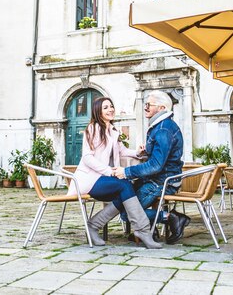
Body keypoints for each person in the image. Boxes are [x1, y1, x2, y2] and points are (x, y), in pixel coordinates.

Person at [67, 96, 162, 249]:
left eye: (111, 106)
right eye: (105, 107)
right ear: (98, 111)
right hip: (90, 180)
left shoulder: (111, 130)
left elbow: (122, 150)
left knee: (124, 193)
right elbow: (87, 158)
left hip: (103, 180)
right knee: (125, 185)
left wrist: (138, 153)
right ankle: (143, 231)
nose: (110, 109)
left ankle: (93, 225)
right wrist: (109, 171)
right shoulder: (93, 128)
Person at [112, 90, 190, 244]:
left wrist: (126, 172)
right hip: (156, 180)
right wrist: (146, 152)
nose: (145, 107)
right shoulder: (160, 126)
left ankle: (173, 218)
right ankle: (150, 231)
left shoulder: (163, 129)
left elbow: (156, 165)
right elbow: (159, 158)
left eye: (149, 104)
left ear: (161, 108)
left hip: (161, 182)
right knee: (125, 201)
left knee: (127, 213)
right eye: (145, 104)